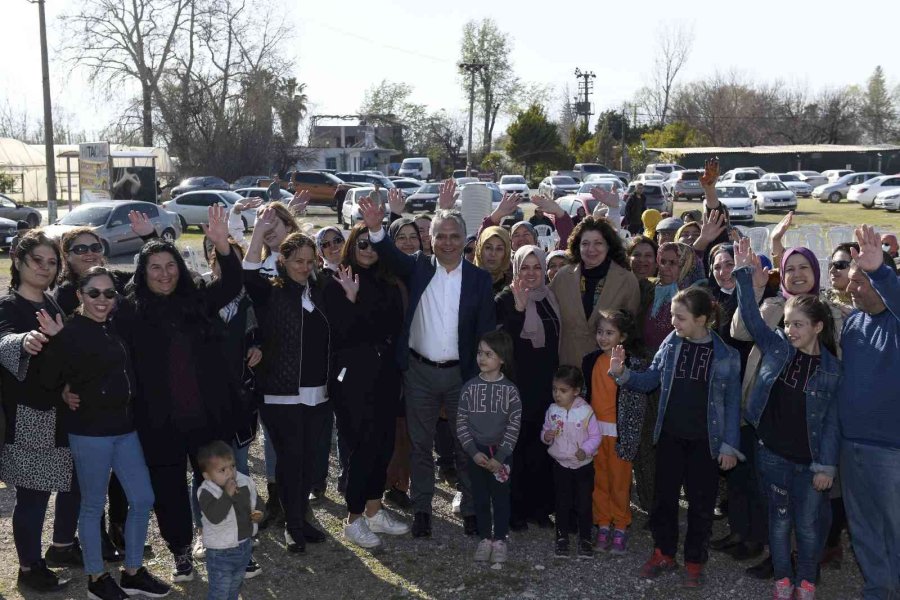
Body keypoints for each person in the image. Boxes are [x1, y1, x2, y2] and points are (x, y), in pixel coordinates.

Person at [111, 205, 243, 581]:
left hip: (206, 416)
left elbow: (232, 284)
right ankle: (181, 552)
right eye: (155, 268)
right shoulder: (130, 312)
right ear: (143, 272)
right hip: (158, 422)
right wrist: (146, 240)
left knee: (217, 483)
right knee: (168, 493)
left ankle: (223, 543)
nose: (164, 274)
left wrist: (222, 245)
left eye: (171, 267)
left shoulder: (197, 301)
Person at [359, 197, 496, 538]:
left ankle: (470, 509)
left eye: (454, 236)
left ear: (465, 240)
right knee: (421, 446)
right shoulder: (418, 266)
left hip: (461, 374)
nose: (447, 242)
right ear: (429, 239)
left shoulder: (479, 279)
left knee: (467, 446)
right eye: (440, 236)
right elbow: (389, 255)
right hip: (419, 373)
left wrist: (485, 376)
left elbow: (486, 331)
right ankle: (422, 509)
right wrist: (376, 227)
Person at [39, 266, 171, 600]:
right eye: (94, 293)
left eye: (109, 293)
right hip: (90, 434)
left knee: (143, 498)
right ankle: (97, 579)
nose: (102, 299)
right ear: (80, 295)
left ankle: (133, 572)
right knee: (93, 505)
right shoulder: (69, 332)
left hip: (125, 429)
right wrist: (56, 343)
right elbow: (49, 380)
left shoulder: (113, 327)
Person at [609, 287, 742, 589]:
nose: (673, 324)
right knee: (663, 500)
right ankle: (663, 553)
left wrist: (729, 445)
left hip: (705, 444)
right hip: (669, 438)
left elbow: (733, 404)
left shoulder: (726, 356)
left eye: (680, 318)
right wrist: (622, 374)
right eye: (672, 316)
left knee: (700, 505)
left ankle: (694, 561)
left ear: (702, 319)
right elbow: (650, 381)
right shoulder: (671, 343)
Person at [733, 237, 840, 600]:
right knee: (778, 523)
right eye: (788, 324)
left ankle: (806, 582)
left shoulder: (832, 371)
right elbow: (750, 318)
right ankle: (783, 581)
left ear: (818, 327)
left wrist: (826, 465)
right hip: (772, 454)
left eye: (798, 325)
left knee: (807, 527)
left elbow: (831, 423)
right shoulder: (777, 347)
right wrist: (744, 275)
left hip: (810, 464)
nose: (789, 330)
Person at [0, 230, 80, 592]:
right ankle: (29, 569)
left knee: (44, 493)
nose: (45, 268)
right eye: (38, 260)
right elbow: (3, 339)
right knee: (32, 498)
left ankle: (40, 559)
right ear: (18, 260)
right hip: (27, 416)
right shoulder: (8, 306)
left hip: (55, 412)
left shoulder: (51, 303)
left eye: (52, 262)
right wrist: (24, 340)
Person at [243, 230, 330, 555]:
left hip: (316, 392)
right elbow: (248, 273)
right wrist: (255, 234)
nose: (304, 267)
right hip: (280, 392)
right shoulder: (270, 292)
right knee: (291, 459)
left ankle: (300, 520)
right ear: (283, 260)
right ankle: (293, 526)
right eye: (298, 261)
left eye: (310, 261)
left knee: (308, 460)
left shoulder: (321, 291)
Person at [324, 225, 410, 548]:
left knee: (383, 443)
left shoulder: (387, 282)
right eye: (362, 243)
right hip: (352, 377)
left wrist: (360, 306)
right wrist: (351, 299)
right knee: (361, 445)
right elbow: (344, 332)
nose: (368, 249)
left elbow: (389, 325)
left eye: (374, 244)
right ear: (351, 245)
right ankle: (354, 519)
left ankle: (374, 510)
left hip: (385, 373)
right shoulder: (337, 281)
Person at [838, 225, 900, 600]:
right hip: (852, 446)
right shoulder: (853, 325)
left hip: (891, 451)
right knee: (863, 529)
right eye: (850, 280)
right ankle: (880, 589)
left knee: (895, 528)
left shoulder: (895, 321)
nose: (850, 287)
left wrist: (880, 271)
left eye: (859, 281)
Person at [705, 243, 768, 565]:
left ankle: (755, 536)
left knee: (751, 470)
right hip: (723, 396)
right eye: (717, 266)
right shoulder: (711, 300)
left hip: (749, 394)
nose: (723, 271)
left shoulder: (756, 298)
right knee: (734, 473)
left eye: (729, 264)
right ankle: (739, 530)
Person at [495, 246, 560, 531]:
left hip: (547, 385)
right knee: (517, 449)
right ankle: (515, 510)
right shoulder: (505, 299)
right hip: (518, 385)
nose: (531, 273)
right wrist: (519, 310)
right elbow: (502, 344)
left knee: (541, 447)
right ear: (516, 268)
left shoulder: (549, 297)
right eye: (525, 267)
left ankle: (540, 508)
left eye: (536, 267)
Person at [582, 310, 648, 555]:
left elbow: (637, 403)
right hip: (596, 433)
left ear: (623, 336)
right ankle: (602, 523)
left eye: (609, 333)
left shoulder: (633, 363)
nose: (603, 337)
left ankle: (620, 525)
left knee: (620, 482)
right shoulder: (590, 360)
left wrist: (632, 432)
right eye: (600, 332)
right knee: (599, 480)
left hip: (621, 434)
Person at [456, 330, 522, 564]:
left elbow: (514, 426)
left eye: (488, 354)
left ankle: (500, 540)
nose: (481, 358)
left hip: (501, 456)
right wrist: (473, 452)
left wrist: (502, 456)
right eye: (479, 353)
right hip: (477, 454)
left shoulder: (511, 391)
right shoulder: (469, 388)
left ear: (502, 358)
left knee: (501, 498)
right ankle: (485, 539)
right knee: (480, 498)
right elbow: (461, 424)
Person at [549, 216, 640, 367]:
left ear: (608, 246)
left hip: (607, 369)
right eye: (585, 243)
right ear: (577, 246)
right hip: (568, 368)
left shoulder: (627, 280)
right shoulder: (563, 276)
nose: (591, 249)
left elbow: (630, 329)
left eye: (598, 243)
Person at [542, 365, 600, 559]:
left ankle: (585, 539)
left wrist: (586, 450)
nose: (557, 395)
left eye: (563, 391)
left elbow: (595, 436)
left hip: (583, 467)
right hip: (560, 465)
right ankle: (562, 538)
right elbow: (545, 430)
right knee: (562, 503)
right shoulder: (552, 410)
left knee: (584, 504)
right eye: (554, 390)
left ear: (576, 391)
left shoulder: (585, 412)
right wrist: (546, 436)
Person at [196, 441, 264, 600]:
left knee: (235, 586)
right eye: (222, 470)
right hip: (220, 552)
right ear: (207, 475)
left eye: (232, 466)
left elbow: (256, 502)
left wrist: (260, 513)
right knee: (220, 591)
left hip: (244, 546)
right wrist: (227, 495)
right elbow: (215, 517)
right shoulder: (206, 492)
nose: (230, 473)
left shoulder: (244, 481)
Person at [474, 226, 512, 294]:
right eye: (488, 247)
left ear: (506, 253)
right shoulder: (465, 281)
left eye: (499, 249)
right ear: (480, 249)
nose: (493, 254)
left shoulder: (514, 286)